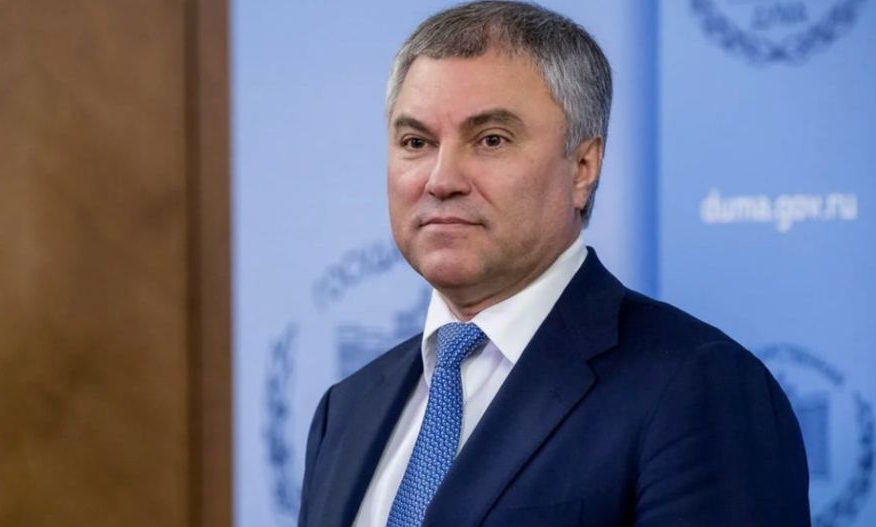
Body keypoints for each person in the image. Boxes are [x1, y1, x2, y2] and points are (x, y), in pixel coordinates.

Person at [298, 2, 810, 526]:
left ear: (583, 167)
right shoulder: (346, 411)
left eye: (491, 140)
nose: (441, 179)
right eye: (416, 142)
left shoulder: (699, 388)